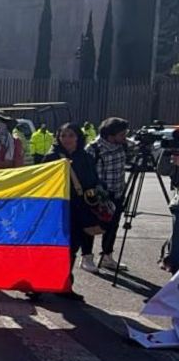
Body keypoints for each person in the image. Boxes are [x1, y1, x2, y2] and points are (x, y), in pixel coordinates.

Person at [43, 123, 100, 301]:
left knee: (72, 247)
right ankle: (39, 286)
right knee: (49, 248)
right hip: (56, 209)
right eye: (63, 135)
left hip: (78, 208)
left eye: (71, 135)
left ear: (78, 137)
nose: (67, 139)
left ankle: (64, 284)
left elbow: (93, 180)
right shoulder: (52, 157)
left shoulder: (85, 157)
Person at [83, 117, 130, 272]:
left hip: (118, 192)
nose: (125, 137)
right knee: (91, 226)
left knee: (112, 226)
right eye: (122, 134)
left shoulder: (122, 145)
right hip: (99, 195)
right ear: (110, 135)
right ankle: (86, 257)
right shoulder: (93, 148)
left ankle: (106, 257)